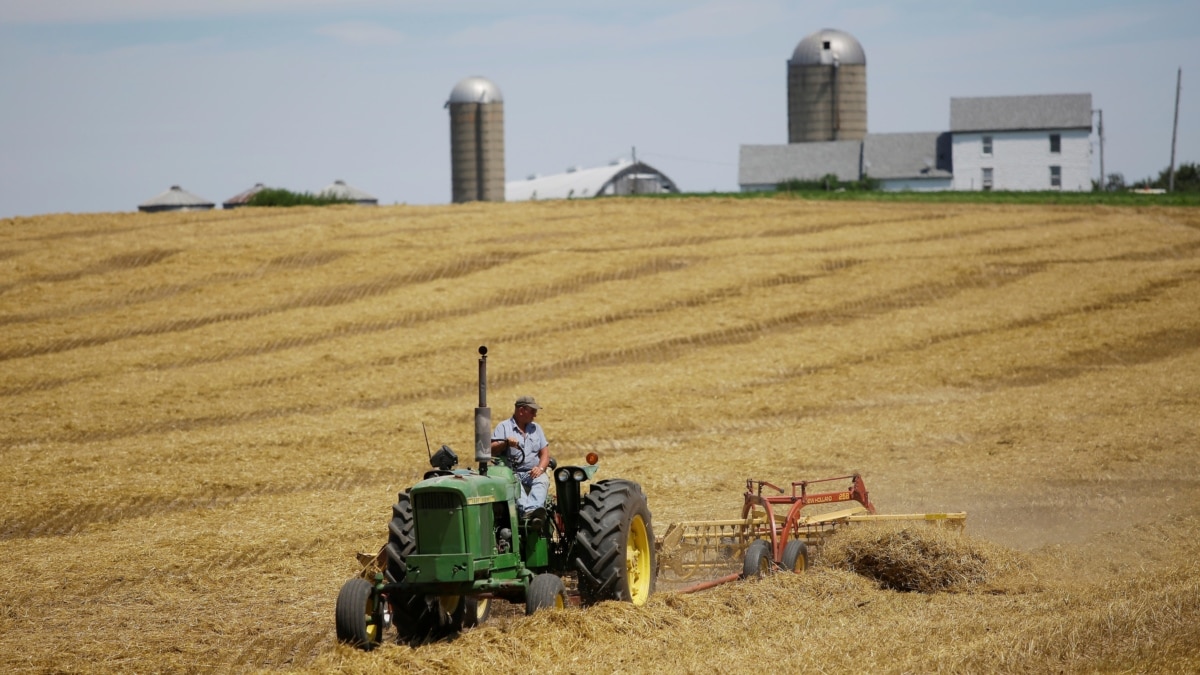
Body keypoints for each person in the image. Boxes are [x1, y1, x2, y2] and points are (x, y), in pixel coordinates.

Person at [490, 395, 551, 521]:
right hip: (512, 473)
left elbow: (545, 454)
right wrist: (505, 443)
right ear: (521, 410)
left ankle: (533, 511)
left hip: (532, 472)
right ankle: (528, 513)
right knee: (515, 484)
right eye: (532, 411)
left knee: (542, 479)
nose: (535, 415)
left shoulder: (536, 428)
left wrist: (540, 468)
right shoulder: (503, 427)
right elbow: (491, 449)